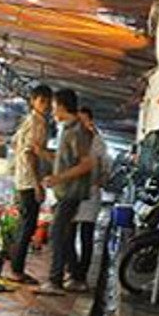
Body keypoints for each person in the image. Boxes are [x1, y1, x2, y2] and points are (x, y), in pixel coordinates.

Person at [40, 89, 94, 294]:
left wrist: (58, 178)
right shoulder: (67, 129)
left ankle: (55, 281)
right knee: (63, 235)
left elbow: (86, 164)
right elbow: (67, 160)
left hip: (71, 192)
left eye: (54, 107)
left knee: (56, 233)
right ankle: (72, 276)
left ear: (62, 106)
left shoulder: (77, 132)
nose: (53, 111)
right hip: (66, 191)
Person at [6, 84, 52, 285]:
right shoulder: (36, 123)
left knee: (25, 224)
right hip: (28, 180)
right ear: (33, 101)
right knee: (27, 226)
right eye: (42, 101)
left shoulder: (31, 121)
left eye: (48, 101)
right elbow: (29, 153)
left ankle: (17, 267)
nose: (46, 105)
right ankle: (16, 270)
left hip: (23, 178)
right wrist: (37, 184)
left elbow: (15, 144)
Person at [73, 107, 109, 282]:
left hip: (90, 195)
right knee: (68, 235)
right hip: (72, 194)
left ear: (90, 121)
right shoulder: (71, 139)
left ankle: (81, 275)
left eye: (84, 121)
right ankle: (71, 270)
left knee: (87, 235)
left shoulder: (98, 142)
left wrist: (100, 179)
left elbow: (106, 167)